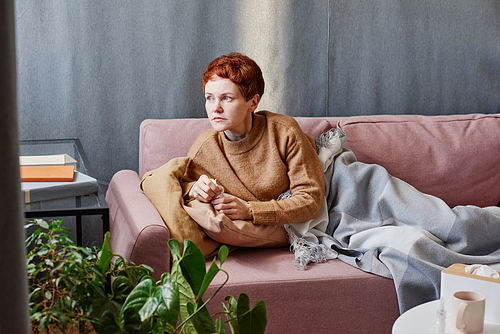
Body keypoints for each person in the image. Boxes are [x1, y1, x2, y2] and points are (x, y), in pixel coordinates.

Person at [183, 52, 325, 227]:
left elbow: (310, 200)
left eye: (227, 98)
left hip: (331, 186)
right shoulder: (203, 147)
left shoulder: (284, 132)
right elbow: (182, 186)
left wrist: (250, 210)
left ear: (253, 102)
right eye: (209, 98)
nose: (215, 108)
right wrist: (192, 190)